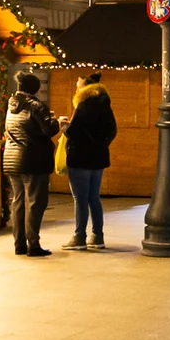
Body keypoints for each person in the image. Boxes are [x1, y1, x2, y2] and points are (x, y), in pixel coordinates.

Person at [3, 71, 60, 257]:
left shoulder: (11, 105)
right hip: (33, 159)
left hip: (12, 159)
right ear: (35, 89)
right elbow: (48, 129)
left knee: (18, 201)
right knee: (35, 202)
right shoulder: (35, 105)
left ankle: (19, 244)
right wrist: (57, 122)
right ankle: (33, 245)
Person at [60, 73, 117, 251]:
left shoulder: (83, 106)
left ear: (84, 87)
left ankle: (79, 237)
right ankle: (97, 236)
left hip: (80, 158)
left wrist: (64, 126)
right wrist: (101, 144)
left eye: (78, 84)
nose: (76, 87)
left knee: (80, 199)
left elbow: (73, 132)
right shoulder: (105, 105)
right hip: (98, 158)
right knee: (94, 197)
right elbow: (113, 130)